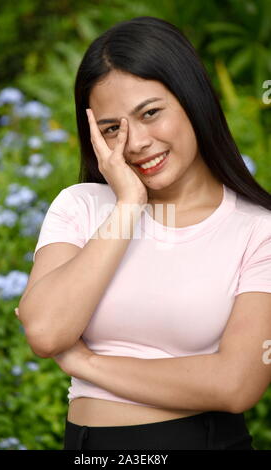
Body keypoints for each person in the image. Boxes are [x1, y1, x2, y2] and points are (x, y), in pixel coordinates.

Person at [17, 16, 271, 450]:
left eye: (150, 113)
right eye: (112, 128)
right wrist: (128, 205)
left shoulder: (257, 229)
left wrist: (86, 362)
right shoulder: (80, 206)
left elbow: (237, 383)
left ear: (193, 100)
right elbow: (45, 330)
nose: (134, 143)